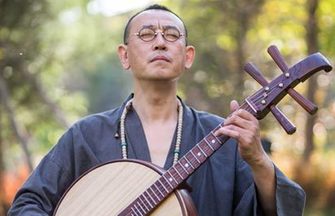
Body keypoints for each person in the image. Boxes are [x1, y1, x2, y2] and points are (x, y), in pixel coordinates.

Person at [8, 4, 305, 216]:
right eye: (147, 34)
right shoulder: (85, 135)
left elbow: (279, 208)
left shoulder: (225, 137)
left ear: (188, 56)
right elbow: (27, 204)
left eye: (172, 35)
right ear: (124, 56)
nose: (161, 42)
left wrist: (258, 160)